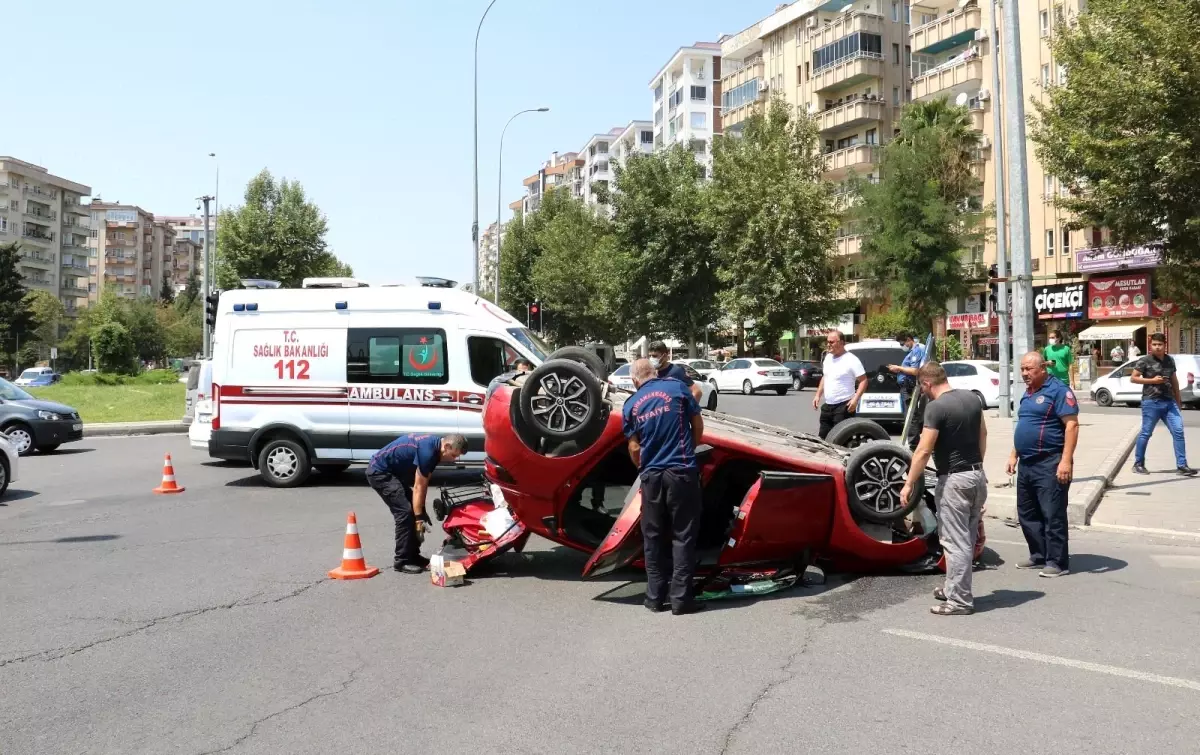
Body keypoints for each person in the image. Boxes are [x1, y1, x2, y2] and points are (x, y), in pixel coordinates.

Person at [900, 361, 987, 615]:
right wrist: (978, 467)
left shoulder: (936, 407)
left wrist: (908, 483)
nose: (923, 392)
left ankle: (959, 600)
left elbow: (924, 450)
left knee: (954, 542)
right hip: (976, 476)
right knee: (966, 540)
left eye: (922, 387)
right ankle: (954, 587)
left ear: (927, 383)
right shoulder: (972, 399)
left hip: (955, 481)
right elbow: (983, 435)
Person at [623, 359, 705, 615]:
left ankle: (654, 598)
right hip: (681, 471)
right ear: (655, 373)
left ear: (635, 381)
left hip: (652, 477)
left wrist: (644, 466)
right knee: (683, 535)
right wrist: (688, 452)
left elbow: (634, 447)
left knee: (653, 537)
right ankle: (681, 599)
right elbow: (698, 424)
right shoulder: (677, 388)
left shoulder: (630, 405)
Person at [1006, 353, 1078, 578]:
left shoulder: (1059, 391)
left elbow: (1072, 426)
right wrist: (1013, 454)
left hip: (1050, 462)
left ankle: (1057, 562)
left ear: (1042, 369)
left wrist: (1065, 461)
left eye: (1029, 369)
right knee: (1027, 513)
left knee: (1052, 514)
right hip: (1027, 464)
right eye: (1022, 369)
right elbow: (1025, 425)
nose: (1025, 374)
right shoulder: (1027, 394)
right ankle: (1038, 555)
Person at [367, 433, 468, 573]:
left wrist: (421, 510)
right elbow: (418, 486)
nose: (453, 460)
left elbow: (424, 483)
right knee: (405, 513)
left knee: (415, 512)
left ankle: (413, 556)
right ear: (447, 446)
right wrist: (419, 517)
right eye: (453, 455)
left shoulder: (435, 450)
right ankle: (402, 561)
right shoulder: (427, 452)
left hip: (393, 474)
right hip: (380, 473)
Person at [1131, 333, 1197, 476]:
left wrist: (1178, 401)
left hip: (1169, 402)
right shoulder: (1144, 361)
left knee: (1178, 431)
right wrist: (1152, 381)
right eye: (1154, 344)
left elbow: (1174, 380)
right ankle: (1138, 464)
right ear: (1150, 345)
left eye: (1160, 344)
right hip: (1151, 402)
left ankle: (1182, 465)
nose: (1157, 347)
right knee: (1146, 433)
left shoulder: (1169, 360)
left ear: (1164, 345)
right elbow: (1133, 378)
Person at [812, 329, 867, 440]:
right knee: (823, 439)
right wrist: (818, 395)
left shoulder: (851, 359)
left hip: (843, 406)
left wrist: (855, 399)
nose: (828, 344)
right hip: (828, 405)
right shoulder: (828, 358)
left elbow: (864, 380)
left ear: (841, 343)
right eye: (828, 342)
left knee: (841, 440)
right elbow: (825, 377)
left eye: (832, 342)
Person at [886, 332, 927, 450]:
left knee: (911, 415)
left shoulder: (916, 351)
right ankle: (913, 442)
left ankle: (914, 444)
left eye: (902, 343)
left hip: (909, 387)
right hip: (906, 386)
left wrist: (898, 368)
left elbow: (915, 371)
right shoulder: (911, 352)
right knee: (909, 415)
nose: (902, 346)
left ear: (909, 339)